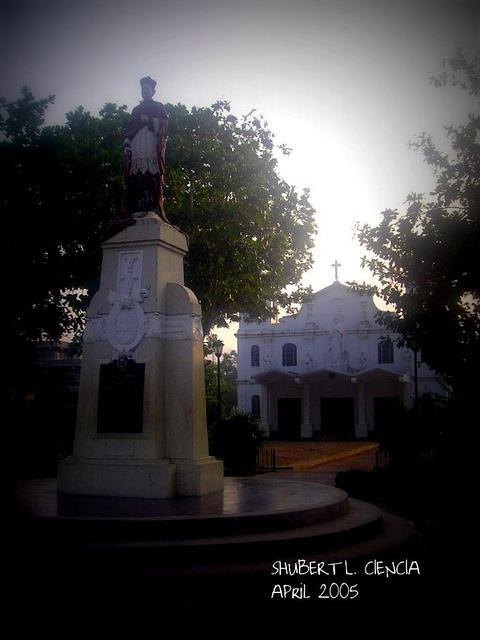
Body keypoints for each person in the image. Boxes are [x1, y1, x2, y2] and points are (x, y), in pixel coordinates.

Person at [122, 76, 168, 220]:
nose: (144, 91)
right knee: (136, 173)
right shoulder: (136, 109)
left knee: (151, 172)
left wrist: (149, 120)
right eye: (142, 89)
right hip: (137, 143)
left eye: (147, 89)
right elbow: (130, 127)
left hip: (151, 142)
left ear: (153, 91)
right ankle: (137, 204)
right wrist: (127, 142)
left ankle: (151, 204)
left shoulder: (159, 107)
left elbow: (164, 126)